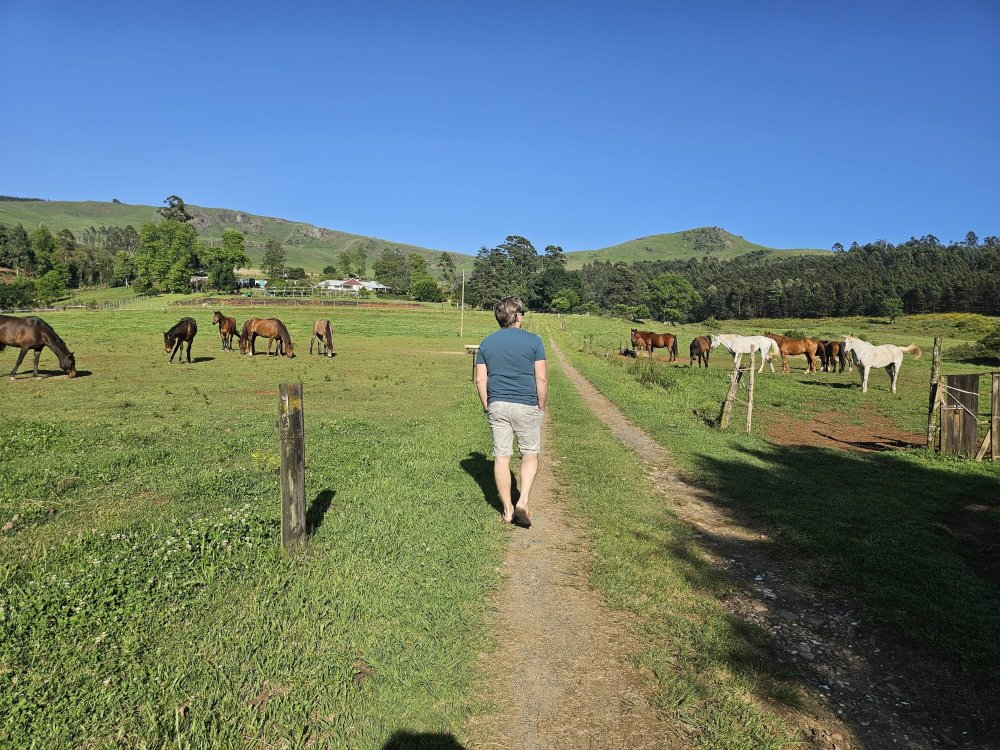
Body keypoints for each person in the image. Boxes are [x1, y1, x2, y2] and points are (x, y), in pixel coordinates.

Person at [475, 296, 547, 528]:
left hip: (497, 404)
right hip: (526, 404)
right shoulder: (534, 341)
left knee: (502, 457)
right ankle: (522, 501)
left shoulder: (486, 343)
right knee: (529, 453)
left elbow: (480, 380)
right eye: (522, 312)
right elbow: (541, 378)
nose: (523, 316)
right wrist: (541, 405)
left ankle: (507, 510)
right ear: (516, 316)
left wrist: (488, 405)